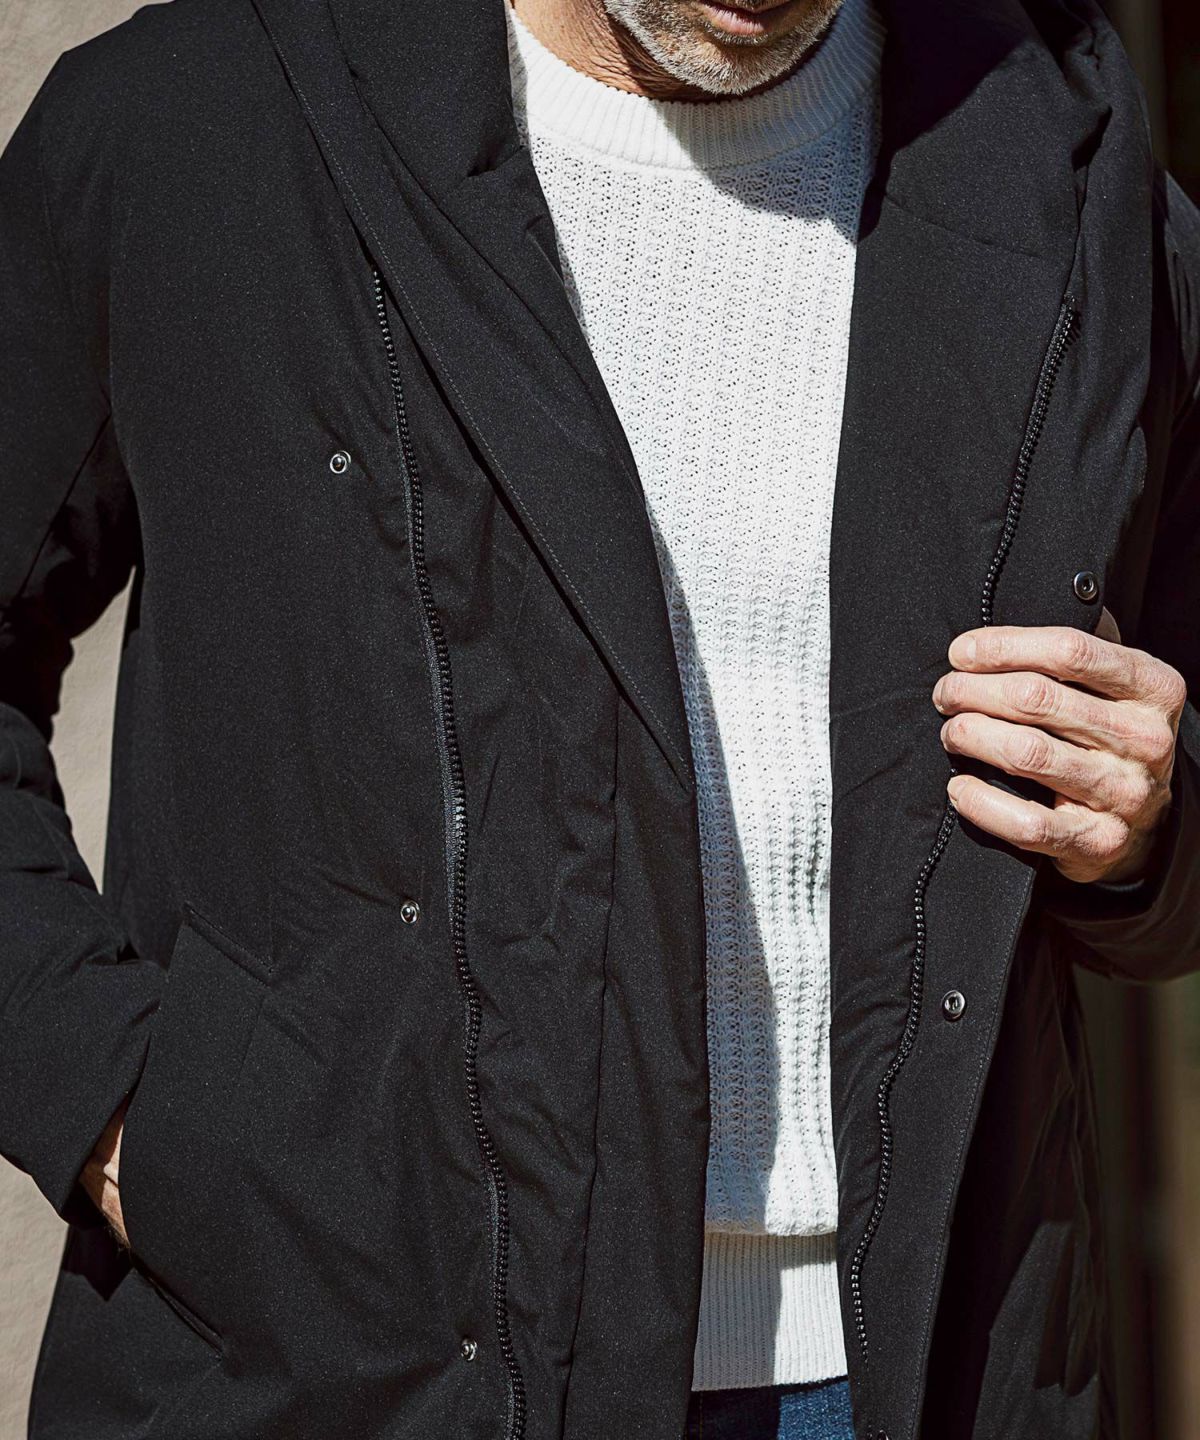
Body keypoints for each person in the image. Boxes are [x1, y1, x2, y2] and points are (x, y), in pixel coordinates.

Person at [2, 0, 1199, 1434]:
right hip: (340, 1373)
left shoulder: (1057, 146)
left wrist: (1150, 822)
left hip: (912, 1369)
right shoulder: (192, 123)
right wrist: (114, 1106)